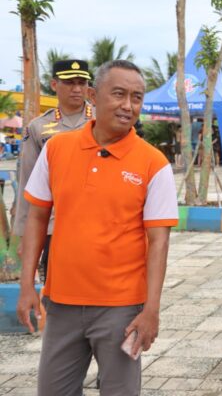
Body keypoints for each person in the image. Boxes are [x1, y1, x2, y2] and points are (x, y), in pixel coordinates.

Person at [16, 60, 178, 396]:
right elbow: (36, 216)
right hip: (61, 303)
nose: (128, 105)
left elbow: (158, 242)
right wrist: (27, 285)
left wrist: (151, 310)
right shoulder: (56, 149)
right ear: (94, 95)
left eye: (136, 97)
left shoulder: (153, 164)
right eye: (118, 94)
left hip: (122, 310)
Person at [14, 59, 94, 278]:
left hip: (98, 221)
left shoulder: (103, 120)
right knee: (55, 290)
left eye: (82, 82)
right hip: (53, 225)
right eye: (69, 82)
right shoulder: (39, 127)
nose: (77, 89)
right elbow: (27, 182)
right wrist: (23, 236)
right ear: (54, 85)